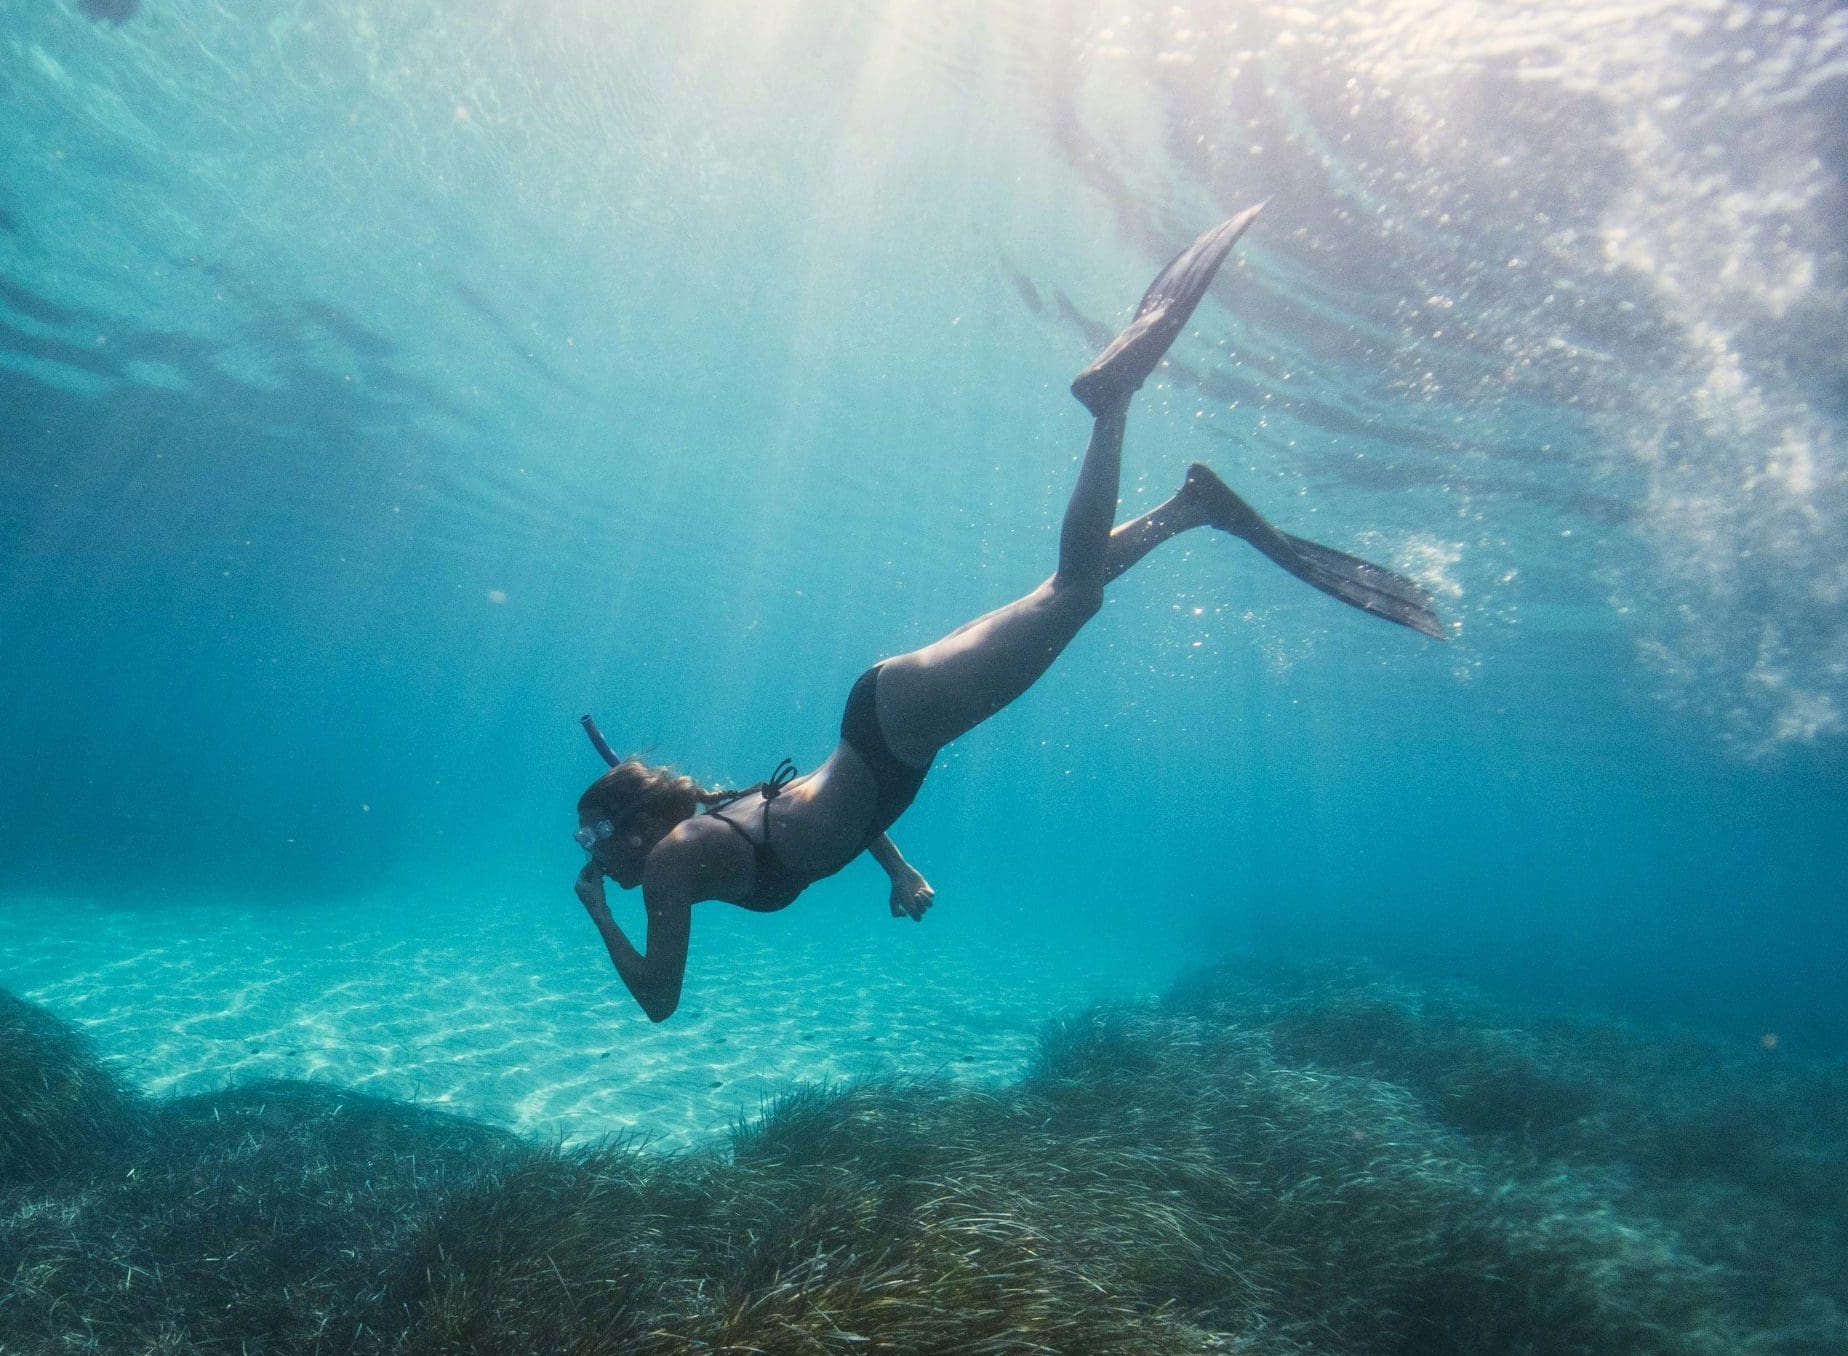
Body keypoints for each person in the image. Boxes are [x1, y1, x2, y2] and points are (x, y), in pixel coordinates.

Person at [572, 204, 1443, 1022]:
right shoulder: (701, 822)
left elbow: (659, 999)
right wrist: (902, 868)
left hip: (895, 732)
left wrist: (600, 910)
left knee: (1074, 596)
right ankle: (1189, 508)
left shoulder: (673, 863)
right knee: (1056, 596)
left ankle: (1112, 405)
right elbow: (818, 819)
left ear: (634, 827)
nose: (589, 854)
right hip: (886, 717)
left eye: (592, 837)